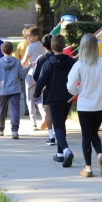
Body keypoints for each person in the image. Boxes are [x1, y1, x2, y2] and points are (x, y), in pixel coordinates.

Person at [66, 33, 102, 177]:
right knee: (94, 133)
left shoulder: (79, 65)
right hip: (101, 105)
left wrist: (78, 90)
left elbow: (70, 87)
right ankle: (100, 155)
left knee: (86, 135)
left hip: (85, 106)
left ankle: (88, 168)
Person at [35, 34, 77, 165]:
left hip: (53, 97)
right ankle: (59, 154)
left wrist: (36, 93)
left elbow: (41, 80)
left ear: (52, 47)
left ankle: (65, 150)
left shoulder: (48, 63)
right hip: (68, 97)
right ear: (64, 46)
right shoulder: (72, 62)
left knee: (57, 126)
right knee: (61, 123)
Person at [0, 41, 29, 139]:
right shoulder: (17, 62)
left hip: (3, 90)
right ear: (12, 50)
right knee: (15, 110)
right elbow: (22, 75)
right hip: (15, 89)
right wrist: (29, 67)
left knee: (2, 110)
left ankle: (1, 128)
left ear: (2, 51)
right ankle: (15, 130)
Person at [22, 26, 48, 129]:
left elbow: (23, 62)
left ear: (37, 36)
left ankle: (33, 122)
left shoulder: (30, 47)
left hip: (31, 74)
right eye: (28, 37)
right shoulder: (42, 46)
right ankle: (43, 114)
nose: (29, 39)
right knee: (40, 97)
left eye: (31, 37)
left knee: (30, 98)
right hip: (42, 74)